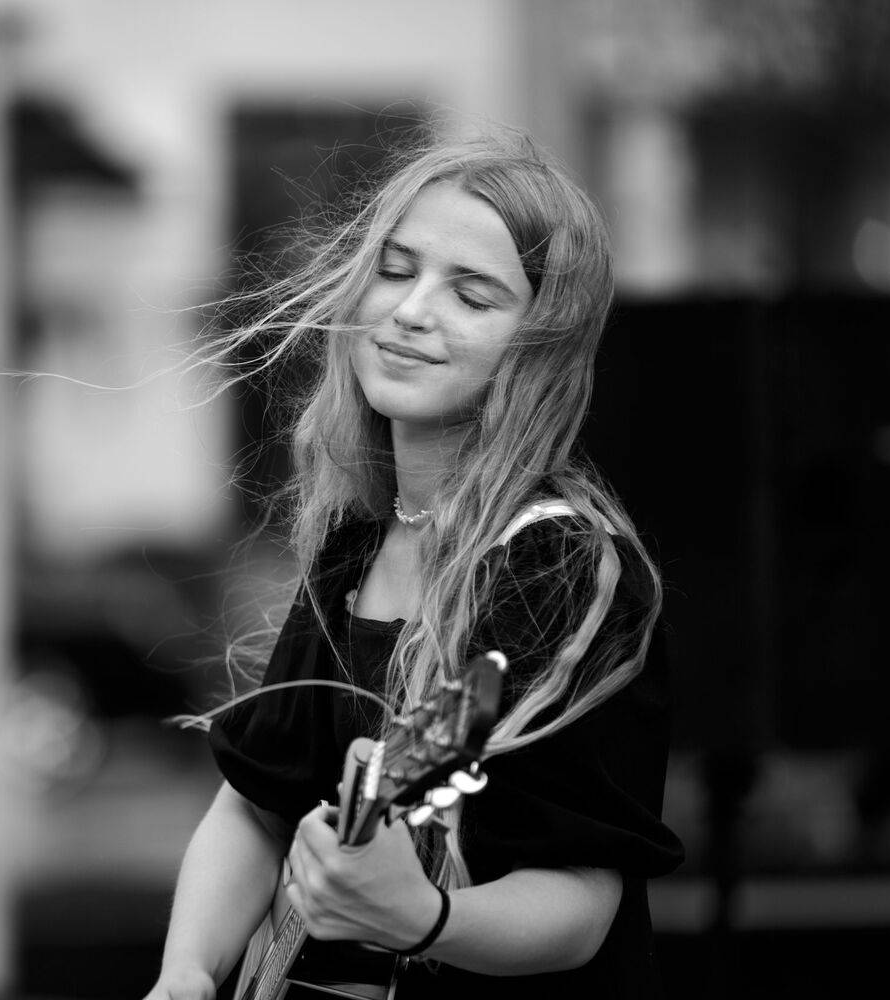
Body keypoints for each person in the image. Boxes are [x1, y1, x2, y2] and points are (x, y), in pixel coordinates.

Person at [144, 124, 684, 999]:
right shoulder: (358, 535)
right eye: (396, 270)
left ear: (537, 347)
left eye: (471, 294)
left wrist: (423, 917)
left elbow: (582, 905)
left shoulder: (564, 568)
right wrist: (186, 973)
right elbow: (257, 802)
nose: (410, 310)